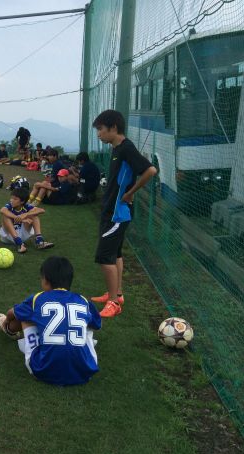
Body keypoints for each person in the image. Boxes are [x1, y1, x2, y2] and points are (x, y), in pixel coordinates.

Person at [90, 109, 157, 318]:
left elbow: (150, 170)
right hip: (111, 211)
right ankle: (116, 295)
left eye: (101, 129)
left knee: (104, 256)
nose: (98, 134)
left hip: (117, 214)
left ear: (113, 128)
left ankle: (113, 303)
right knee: (116, 254)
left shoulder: (127, 148)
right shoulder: (116, 148)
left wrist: (130, 193)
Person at [0, 256, 101, 386]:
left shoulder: (38, 298)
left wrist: (7, 320)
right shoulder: (83, 300)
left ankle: (9, 330)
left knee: (27, 316)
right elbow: (97, 324)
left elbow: (12, 312)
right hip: (85, 371)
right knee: (87, 323)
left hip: (43, 370)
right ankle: (78, 351)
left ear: (45, 280)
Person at [0, 188, 54, 253]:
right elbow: (2, 210)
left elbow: (42, 210)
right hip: (8, 236)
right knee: (5, 216)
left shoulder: (26, 206)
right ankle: (19, 243)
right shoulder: (9, 205)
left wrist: (26, 214)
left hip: (22, 234)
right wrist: (19, 218)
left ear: (22, 202)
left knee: (33, 215)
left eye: (15, 199)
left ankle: (39, 241)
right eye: (11, 198)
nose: (11, 200)